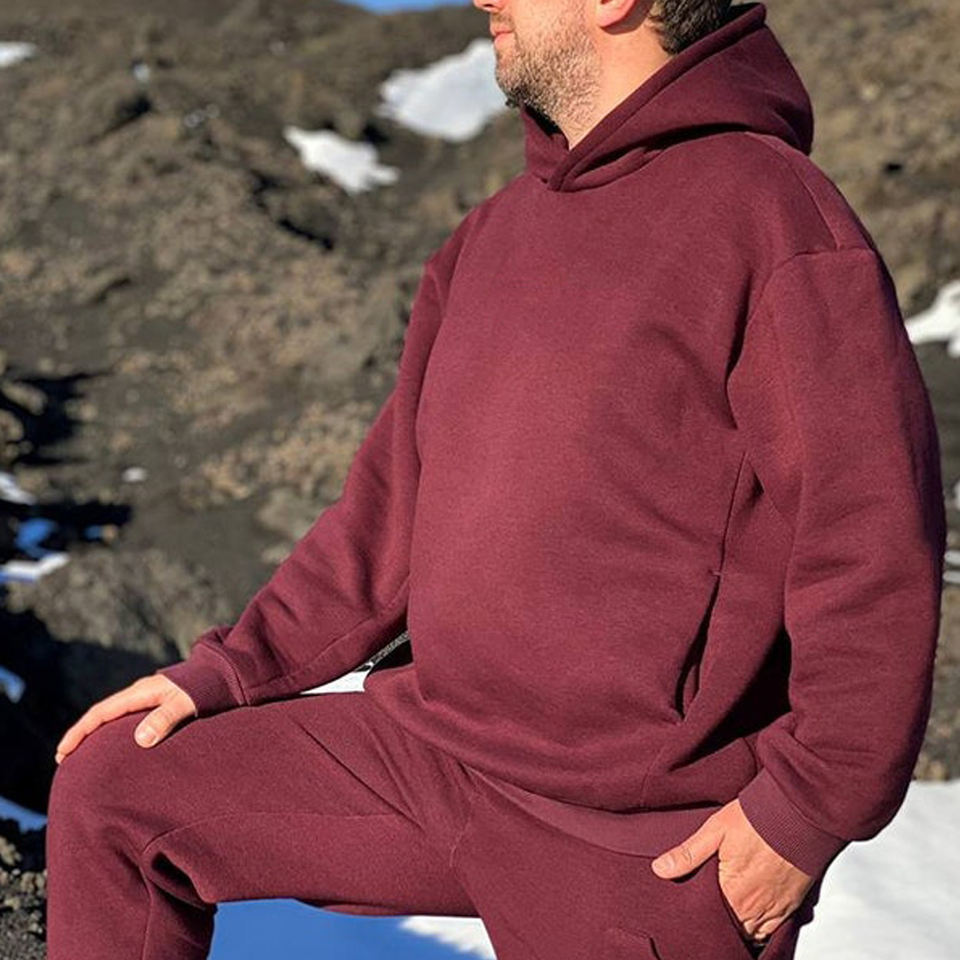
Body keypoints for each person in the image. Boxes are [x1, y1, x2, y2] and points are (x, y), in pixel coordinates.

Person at [46, 2, 946, 959]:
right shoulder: (487, 237)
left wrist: (804, 815)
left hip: (639, 830)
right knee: (118, 788)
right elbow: (386, 521)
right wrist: (227, 670)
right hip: (430, 756)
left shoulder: (775, 219)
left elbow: (871, 542)